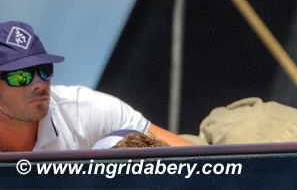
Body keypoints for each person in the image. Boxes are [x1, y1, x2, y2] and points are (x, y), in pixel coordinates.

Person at [0, 21, 193, 152]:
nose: (39, 84)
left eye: (44, 70)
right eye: (20, 76)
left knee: (123, 149)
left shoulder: (83, 109)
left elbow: (199, 162)